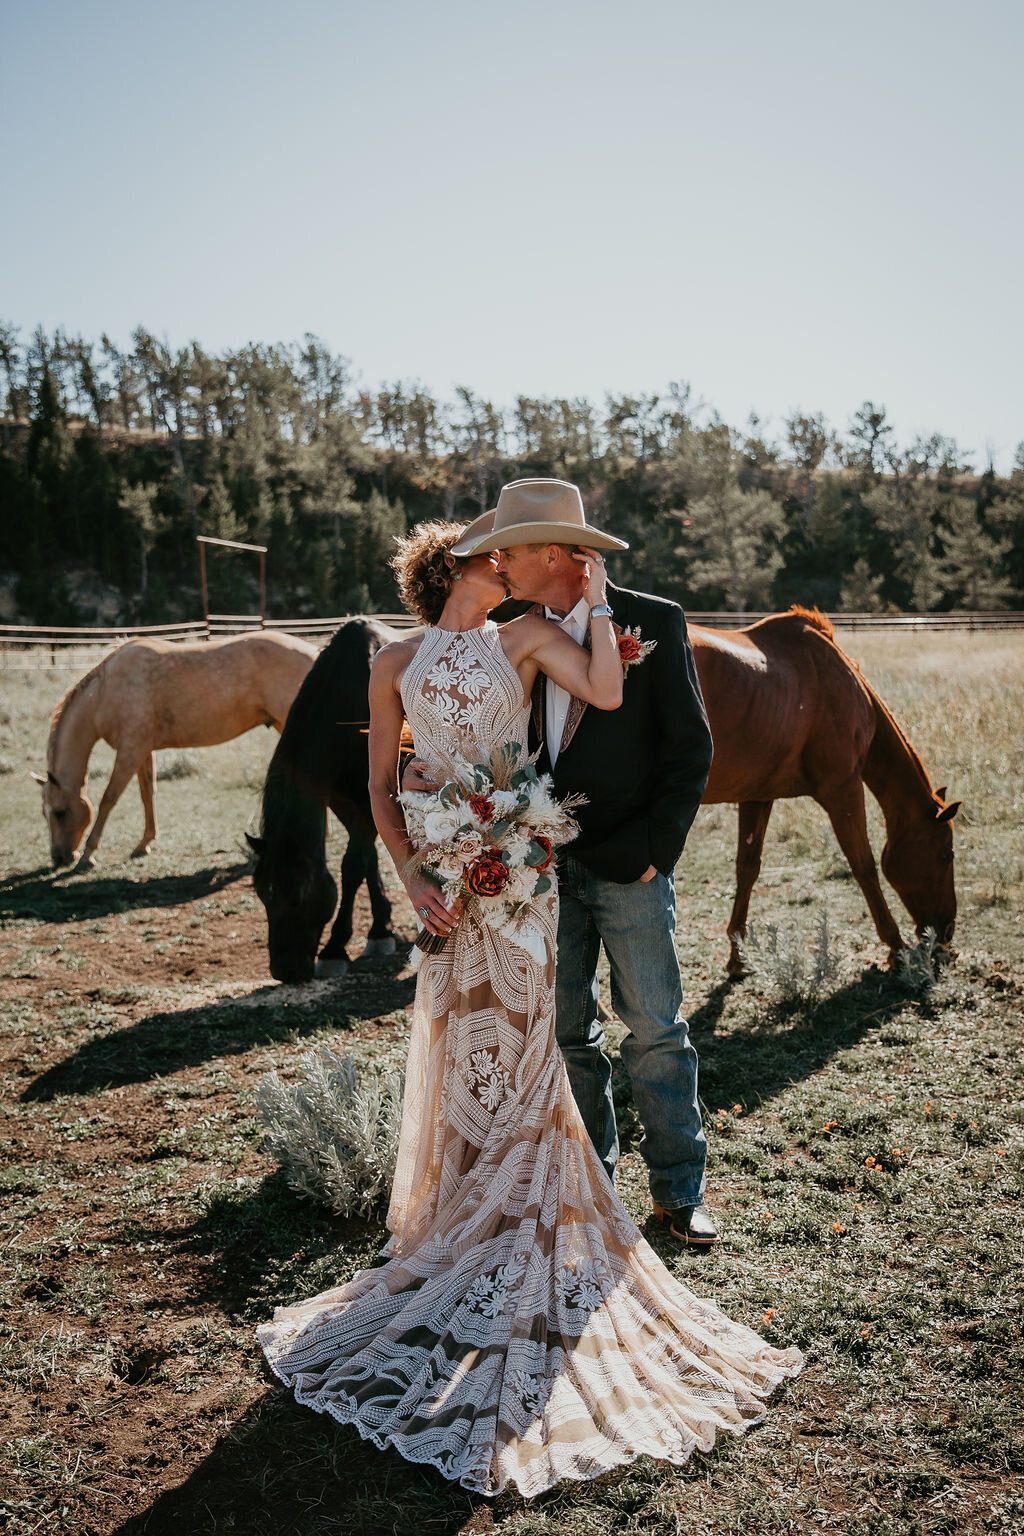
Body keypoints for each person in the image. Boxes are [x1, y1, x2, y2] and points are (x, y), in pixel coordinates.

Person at [256, 499, 801, 1499]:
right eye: (503, 556)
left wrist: (594, 610)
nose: (519, 566)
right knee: (480, 1039)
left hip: (527, 873)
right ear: (479, 561)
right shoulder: (392, 661)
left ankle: (631, 1195)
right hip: (454, 880)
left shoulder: (537, 633)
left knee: (590, 1032)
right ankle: (466, 1214)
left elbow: (609, 689)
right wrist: (412, 869)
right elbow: (381, 784)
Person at [448, 477, 717, 1247]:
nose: (499, 563)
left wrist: (652, 857)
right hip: (543, 871)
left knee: (655, 1029)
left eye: (510, 550)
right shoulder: (515, 629)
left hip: (630, 869)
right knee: (568, 1032)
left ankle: (680, 1191)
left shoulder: (653, 622)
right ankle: (594, 1182)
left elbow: (689, 750)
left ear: (559, 554)